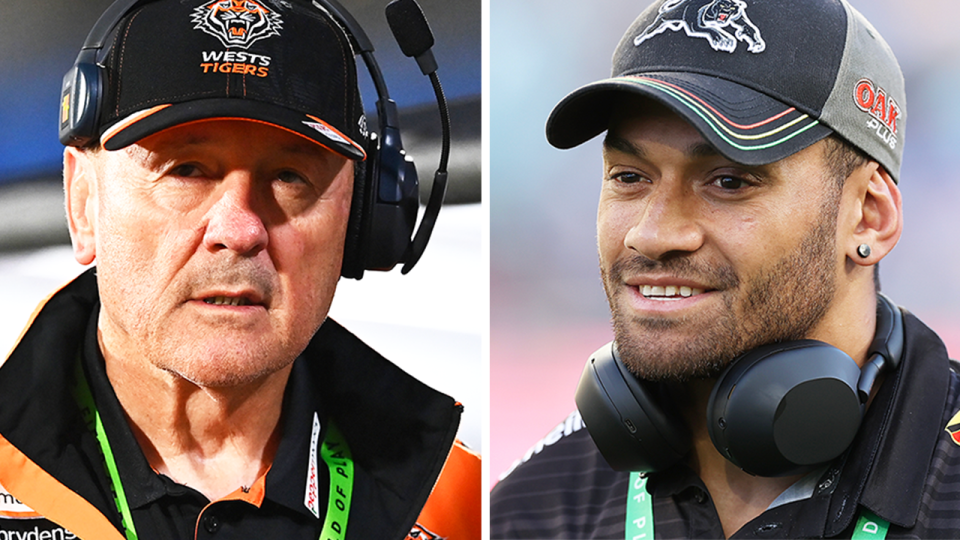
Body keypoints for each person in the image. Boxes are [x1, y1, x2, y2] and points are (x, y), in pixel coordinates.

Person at [0, 0, 480, 539]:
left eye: (290, 176)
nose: (240, 229)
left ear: (365, 217)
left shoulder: (466, 503)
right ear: (83, 201)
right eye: (186, 169)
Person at [490, 0, 960, 538]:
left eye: (729, 182)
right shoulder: (529, 508)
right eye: (628, 176)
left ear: (869, 218)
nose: (652, 233)